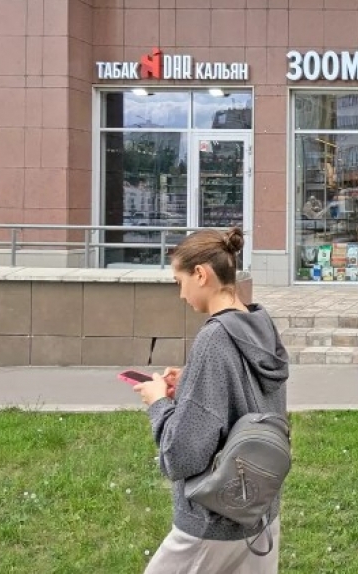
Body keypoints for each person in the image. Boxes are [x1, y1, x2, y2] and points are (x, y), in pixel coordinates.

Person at [133, 227, 290, 574]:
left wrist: (158, 402)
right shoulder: (260, 326)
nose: (181, 294)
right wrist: (190, 380)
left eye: (180, 281)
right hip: (259, 511)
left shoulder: (214, 338)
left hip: (213, 521)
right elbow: (247, 398)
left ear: (201, 274)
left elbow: (183, 455)